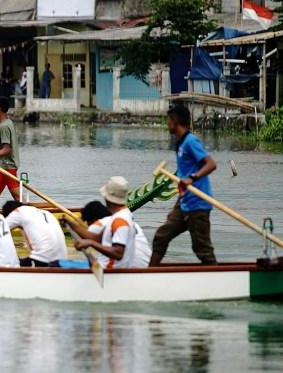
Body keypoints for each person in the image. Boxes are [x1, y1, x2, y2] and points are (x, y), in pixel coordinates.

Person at [150, 104, 218, 265]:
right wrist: (180, 198)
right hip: (184, 203)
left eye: (168, 120)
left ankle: (215, 278)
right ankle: (149, 272)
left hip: (198, 205)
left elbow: (211, 164)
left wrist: (192, 178)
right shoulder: (179, 144)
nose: (167, 123)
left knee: (202, 249)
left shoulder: (190, 142)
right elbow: (183, 174)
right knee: (161, 236)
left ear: (175, 121)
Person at [67, 177, 138, 270]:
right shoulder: (121, 215)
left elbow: (118, 253)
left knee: (54, 264)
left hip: (110, 272)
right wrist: (74, 226)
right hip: (111, 269)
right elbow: (98, 238)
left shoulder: (120, 220)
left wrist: (91, 243)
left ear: (106, 197)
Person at [80, 200, 152, 268]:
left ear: (95, 219)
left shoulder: (98, 224)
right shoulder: (131, 222)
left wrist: (72, 225)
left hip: (127, 270)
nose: (88, 226)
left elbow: (82, 240)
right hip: (147, 266)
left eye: (87, 223)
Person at [1, 200, 67, 267]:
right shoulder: (46, 212)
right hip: (62, 260)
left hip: (43, 259)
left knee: (8, 262)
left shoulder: (17, 212)